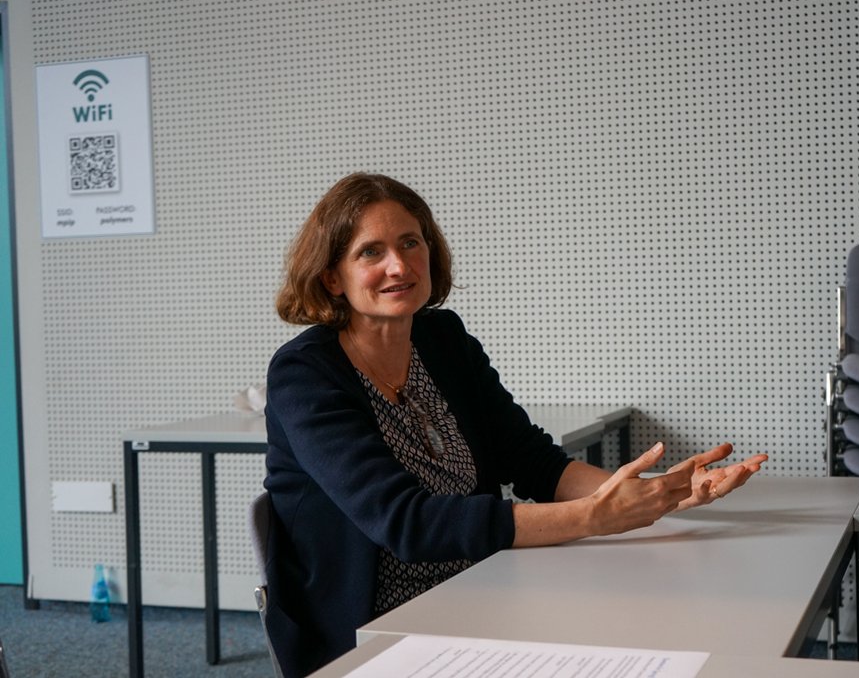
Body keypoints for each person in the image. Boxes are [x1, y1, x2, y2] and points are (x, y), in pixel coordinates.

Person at [263, 172, 767, 677]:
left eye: (410, 242)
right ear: (333, 277)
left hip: (487, 589)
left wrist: (666, 493)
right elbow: (406, 524)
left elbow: (533, 462)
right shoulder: (305, 374)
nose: (399, 265)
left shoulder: (444, 340)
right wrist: (593, 516)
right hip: (373, 634)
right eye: (371, 252)